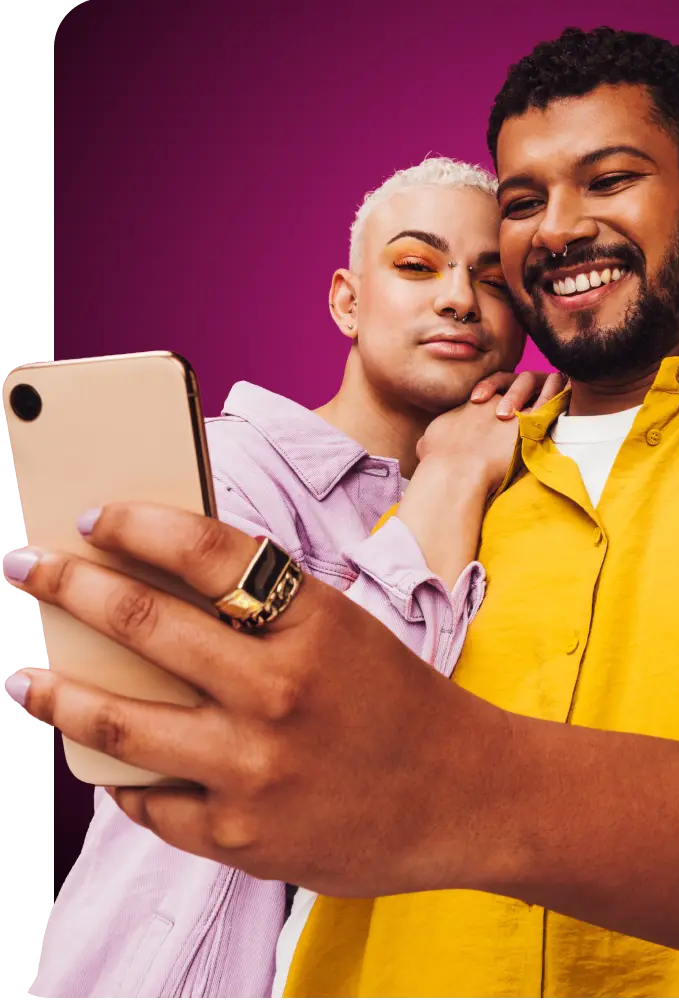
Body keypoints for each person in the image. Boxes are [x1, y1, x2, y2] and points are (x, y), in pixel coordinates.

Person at [8, 28, 679, 1000]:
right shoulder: (424, 487)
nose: (557, 227)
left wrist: (451, 780)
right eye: (522, 201)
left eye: (608, 180)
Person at [22, 155, 561, 999]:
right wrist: (451, 477)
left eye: (493, 281)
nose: (459, 297)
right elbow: (328, 737)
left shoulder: (520, 512)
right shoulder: (221, 472)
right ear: (348, 299)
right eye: (417, 265)